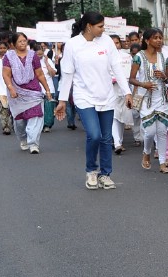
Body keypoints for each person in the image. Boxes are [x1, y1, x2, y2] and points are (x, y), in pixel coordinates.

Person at [55, 11, 133, 190]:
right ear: (89, 26)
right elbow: (67, 75)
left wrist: (127, 91)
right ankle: (91, 170)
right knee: (94, 135)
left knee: (106, 138)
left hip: (106, 95)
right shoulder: (73, 45)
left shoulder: (106, 42)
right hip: (84, 96)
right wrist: (62, 100)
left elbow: (117, 68)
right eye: (100, 26)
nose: (103, 29)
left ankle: (105, 174)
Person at [129, 28, 168, 174]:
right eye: (155, 37)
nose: (159, 40)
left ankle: (162, 163)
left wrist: (164, 77)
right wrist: (144, 84)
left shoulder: (164, 57)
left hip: (161, 98)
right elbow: (132, 78)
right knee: (149, 131)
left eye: (160, 37)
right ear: (147, 40)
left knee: (161, 131)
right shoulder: (138, 57)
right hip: (146, 98)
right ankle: (146, 152)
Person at [2, 32, 52, 154]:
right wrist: (11, 88)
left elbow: (39, 74)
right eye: (20, 41)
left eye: (24, 40)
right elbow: (6, 74)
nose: (23, 43)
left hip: (33, 92)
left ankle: (34, 143)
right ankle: (23, 139)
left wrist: (47, 90)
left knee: (35, 117)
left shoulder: (33, 55)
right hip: (17, 93)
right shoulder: (8, 57)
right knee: (20, 121)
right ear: (13, 44)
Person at [36, 41, 58, 132]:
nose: (40, 56)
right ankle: (38, 125)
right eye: (38, 55)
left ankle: (47, 125)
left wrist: (46, 63)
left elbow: (53, 74)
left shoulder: (47, 60)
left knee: (49, 108)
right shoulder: (30, 61)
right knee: (38, 109)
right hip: (36, 90)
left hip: (49, 88)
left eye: (41, 54)